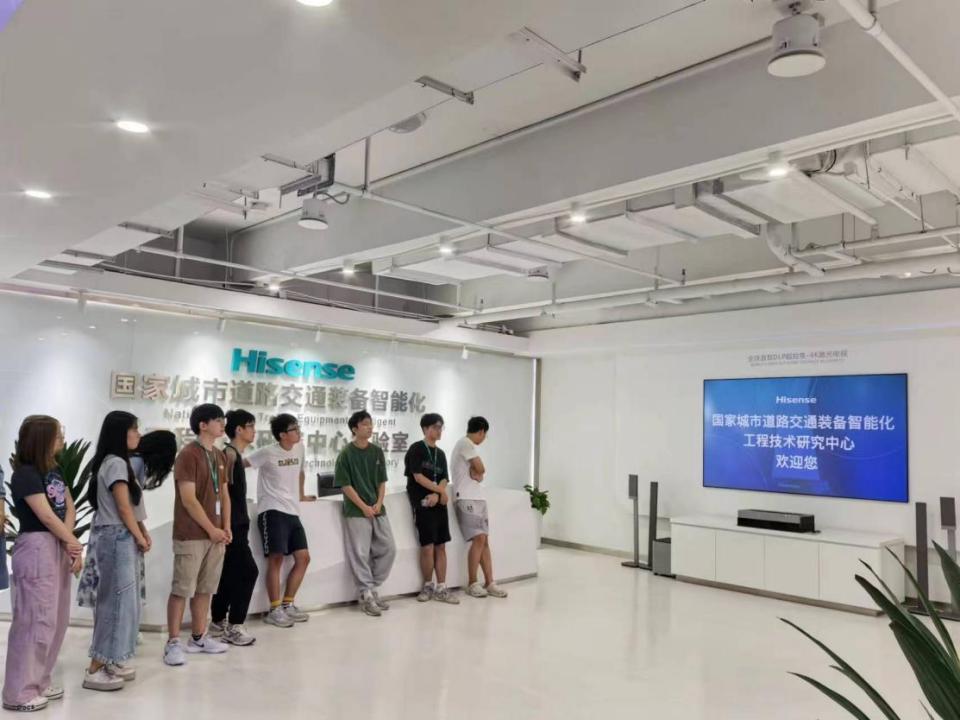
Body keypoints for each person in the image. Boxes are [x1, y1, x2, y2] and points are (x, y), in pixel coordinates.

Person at [2, 416, 82, 713]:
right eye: (57, 434)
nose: (62, 438)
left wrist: (68, 542)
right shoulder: (25, 474)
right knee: (34, 621)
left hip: (57, 544)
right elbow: (45, 515)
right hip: (36, 546)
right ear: (42, 439)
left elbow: (68, 506)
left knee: (56, 620)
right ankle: (19, 693)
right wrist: (72, 543)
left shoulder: (55, 470)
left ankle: (39, 681)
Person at [82, 411, 148, 692]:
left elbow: (129, 507)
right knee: (116, 603)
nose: (138, 434)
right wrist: (139, 536)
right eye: (134, 429)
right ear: (121, 433)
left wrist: (140, 532)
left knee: (123, 602)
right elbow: (123, 507)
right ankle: (95, 668)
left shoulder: (115, 462)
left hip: (118, 536)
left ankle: (111, 660)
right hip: (116, 537)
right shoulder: (116, 464)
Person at [163, 404, 233, 667]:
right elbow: (188, 499)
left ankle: (198, 637)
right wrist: (211, 529)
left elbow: (224, 493)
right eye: (217, 420)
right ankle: (172, 642)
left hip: (216, 535)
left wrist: (226, 526)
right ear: (203, 425)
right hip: (191, 534)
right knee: (182, 588)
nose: (222, 424)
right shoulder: (188, 455)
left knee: (206, 588)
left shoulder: (219, 455)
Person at [245, 413, 316, 628]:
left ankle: (288, 604)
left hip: (293, 511)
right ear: (282, 434)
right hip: (272, 510)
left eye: (298, 428)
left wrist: (301, 495)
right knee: (275, 559)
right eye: (294, 429)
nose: (298, 432)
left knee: (303, 558)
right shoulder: (267, 452)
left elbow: (300, 472)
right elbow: (241, 463)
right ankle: (274, 609)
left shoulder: (300, 448)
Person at [334, 411, 396, 617]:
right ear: (355, 428)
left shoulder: (377, 452)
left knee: (389, 548)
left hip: (377, 509)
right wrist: (363, 506)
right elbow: (345, 485)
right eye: (365, 424)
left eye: (371, 424)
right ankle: (366, 593)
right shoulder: (346, 454)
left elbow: (381, 481)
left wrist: (378, 503)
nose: (370, 428)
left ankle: (372, 586)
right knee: (360, 553)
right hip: (356, 510)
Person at [209, 410, 259, 646]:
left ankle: (218, 619)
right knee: (248, 572)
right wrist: (225, 524)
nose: (254, 431)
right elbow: (222, 492)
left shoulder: (233, 454)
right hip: (233, 524)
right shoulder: (229, 455)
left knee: (229, 573)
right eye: (251, 426)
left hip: (237, 522)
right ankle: (234, 625)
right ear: (239, 429)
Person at [451, 417, 508, 599]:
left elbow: (480, 473)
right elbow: (481, 469)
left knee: (484, 541)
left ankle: (490, 582)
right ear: (481, 431)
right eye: (485, 435)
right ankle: (472, 583)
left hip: (477, 498)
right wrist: (478, 472)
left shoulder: (468, 446)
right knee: (479, 539)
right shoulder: (465, 443)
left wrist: (478, 473)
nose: (484, 438)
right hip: (466, 498)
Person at [405, 413, 458, 604]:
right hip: (423, 503)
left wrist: (438, 494)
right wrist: (439, 492)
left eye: (441, 427)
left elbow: (444, 478)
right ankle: (428, 585)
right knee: (427, 546)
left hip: (438, 504)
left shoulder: (440, 453)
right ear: (425, 429)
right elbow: (418, 477)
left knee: (441, 545)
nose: (439, 430)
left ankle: (442, 587)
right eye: (435, 427)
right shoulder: (416, 449)